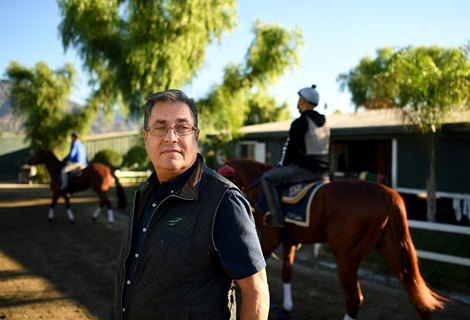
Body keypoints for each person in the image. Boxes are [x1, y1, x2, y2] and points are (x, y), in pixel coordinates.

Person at [114, 89, 269, 320]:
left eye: (182, 127)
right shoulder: (145, 193)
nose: (171, 137)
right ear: (146, 137)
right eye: (160, 127)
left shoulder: (224, 201)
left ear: (195, 136)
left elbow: (256, 290)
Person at [261, 84, 330, 228]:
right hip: (324, 172)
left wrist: (282, 166)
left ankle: (277, 218)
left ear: (303, 102)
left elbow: (291, 150)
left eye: (299, 99)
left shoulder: (300, 122)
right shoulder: (325, 123)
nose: (298, 102)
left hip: (305, 170)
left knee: (267, 178)